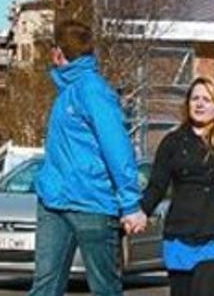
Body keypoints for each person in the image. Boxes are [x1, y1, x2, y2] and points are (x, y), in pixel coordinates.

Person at [30, 36, 147, 296]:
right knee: (45, 287)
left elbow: (116, 146)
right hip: (54, 202)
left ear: (58, 53)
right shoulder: (65, 93)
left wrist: (130, 203)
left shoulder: (93, 90)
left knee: (104, 288)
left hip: (92, 203)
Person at [141, 77, 214, 296]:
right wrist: (139, 213)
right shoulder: (173, 141)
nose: (199, 104)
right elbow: (156, 186)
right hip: (180, 235)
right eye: (195, 98)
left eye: (207, 99)